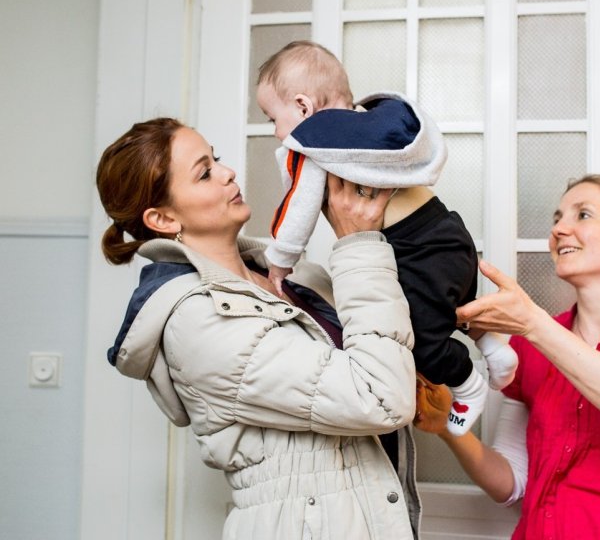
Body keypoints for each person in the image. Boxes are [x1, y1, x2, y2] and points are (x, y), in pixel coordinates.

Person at [97, 117, 423, 540]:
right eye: (204, 172)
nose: (227, 172)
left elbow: (381, 351)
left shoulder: (293, 278)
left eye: (216, 159)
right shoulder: (199, 323)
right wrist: (358, 242)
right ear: (162, 218)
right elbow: (380, 398)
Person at [415, 174, 600, 539]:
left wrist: (533, 323)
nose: (560, 229)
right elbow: (512, 482)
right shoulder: (531, 350)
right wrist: (450, 426)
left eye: (583, 215)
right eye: (557, 218)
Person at [256, 40, 517, 436]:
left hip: (416, 252)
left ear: (304, 108)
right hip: (447, 231)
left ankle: (468, 384)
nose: (277, 133)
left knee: (418, 336)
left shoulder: (319, 144)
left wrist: (280, 260)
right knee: (457, 305)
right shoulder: (374, 130)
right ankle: (494, 346)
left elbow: (299, 209)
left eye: (272, 118)